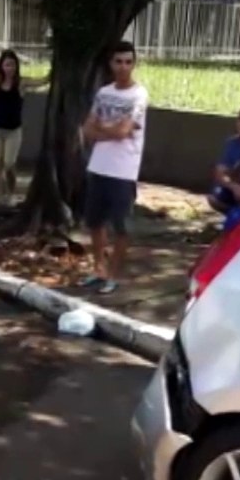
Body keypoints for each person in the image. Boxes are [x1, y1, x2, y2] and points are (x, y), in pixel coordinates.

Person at [79, 40, 148, 296]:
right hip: (98, 166)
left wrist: (105, 130)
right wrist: (112, 130)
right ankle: (99, 269)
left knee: (121, 227)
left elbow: (124, 131)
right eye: (118, 61)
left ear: (134, 63)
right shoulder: (103, 93)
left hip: (123, 170)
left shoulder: (139, 94)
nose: (123, 67)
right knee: (95, 222)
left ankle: (114, 275)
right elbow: (87, 129)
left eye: (128, 62)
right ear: (110, 64)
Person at [0, 49, 46, 204]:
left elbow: (40, 82)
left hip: (13, 131)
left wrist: (50, 75)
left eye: (12, 64)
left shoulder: (21, 82)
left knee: (9, 164)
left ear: (16, 66)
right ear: (1, 66)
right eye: (7, 64)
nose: (10, 68)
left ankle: (11, 193)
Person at [208, 104, 240, 214]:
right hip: (236, 188)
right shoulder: (232, 143)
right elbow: (219, 172)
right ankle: (234, 215)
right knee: (214, 196)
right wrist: (234, 187)